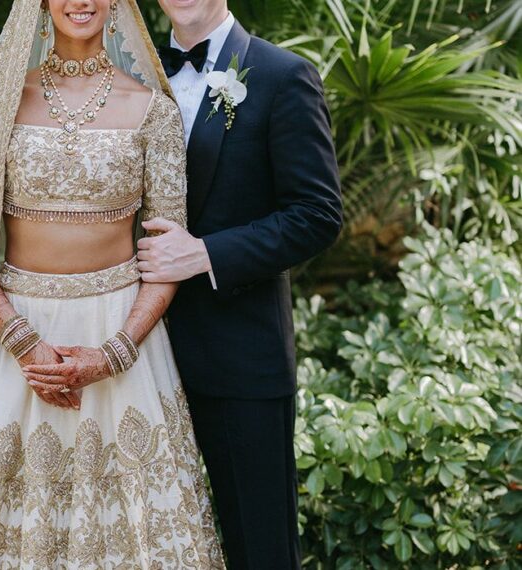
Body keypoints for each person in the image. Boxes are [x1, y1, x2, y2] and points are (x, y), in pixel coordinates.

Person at [0, 0, 225, 568]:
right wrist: (22, 341)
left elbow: (167, 257)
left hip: (123, 343)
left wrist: (113, 353)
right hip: (19, 344)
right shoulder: (0, 105)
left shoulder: (153, 111)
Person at [136, 1, 344, 568]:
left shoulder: (282, 76)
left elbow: (317, 214)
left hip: (239, 359)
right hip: (139, 359)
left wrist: (204, 254)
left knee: (260, 552)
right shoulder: (132, 77)